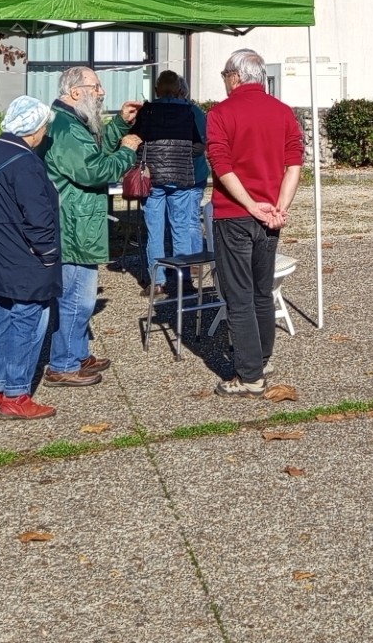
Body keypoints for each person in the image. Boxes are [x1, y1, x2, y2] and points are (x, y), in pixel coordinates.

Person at [204, 49, 305, 397]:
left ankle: (249, 376)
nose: (225, 81)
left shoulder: (221, 113)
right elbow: (294, 163)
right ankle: (261, 359)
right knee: (263, 292)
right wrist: (279, 207)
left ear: (234, 76)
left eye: (224, 76)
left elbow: (222, 166)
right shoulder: (283, 111)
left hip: (235, 214)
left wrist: (250, 204)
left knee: (239, 296)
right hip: (270, 215)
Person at [0, 96, 65, 421]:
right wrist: (48, 253)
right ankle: (16, 395)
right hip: (23, 257)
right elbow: (38, 216)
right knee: (28, 320)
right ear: (33, 128)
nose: (45, 134)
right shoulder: (26, 162)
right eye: (44, 127)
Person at [41, 65, 141, 387]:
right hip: (73, 223)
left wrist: (119, 124)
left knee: (79, 295)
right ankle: (63, 365)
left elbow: (93, 152)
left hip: (78, 219)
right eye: (96, 87)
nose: (102, 92)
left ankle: (77, 352)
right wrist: (127, 152)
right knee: (76, 298)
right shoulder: (66, 128)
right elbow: (94, 170)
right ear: (75, 92)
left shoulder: (70, 121)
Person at [131, 70, 209, 295]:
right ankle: (184, 280)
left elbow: (133, 140)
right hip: (181, 177)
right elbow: (199, 147)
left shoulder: (147, 111)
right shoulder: (188, 111)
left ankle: (157, 282)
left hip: (152, 179)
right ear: (178, 89)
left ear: (156, 89)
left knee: (154, 230)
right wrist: (181, 154)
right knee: (181, 228)